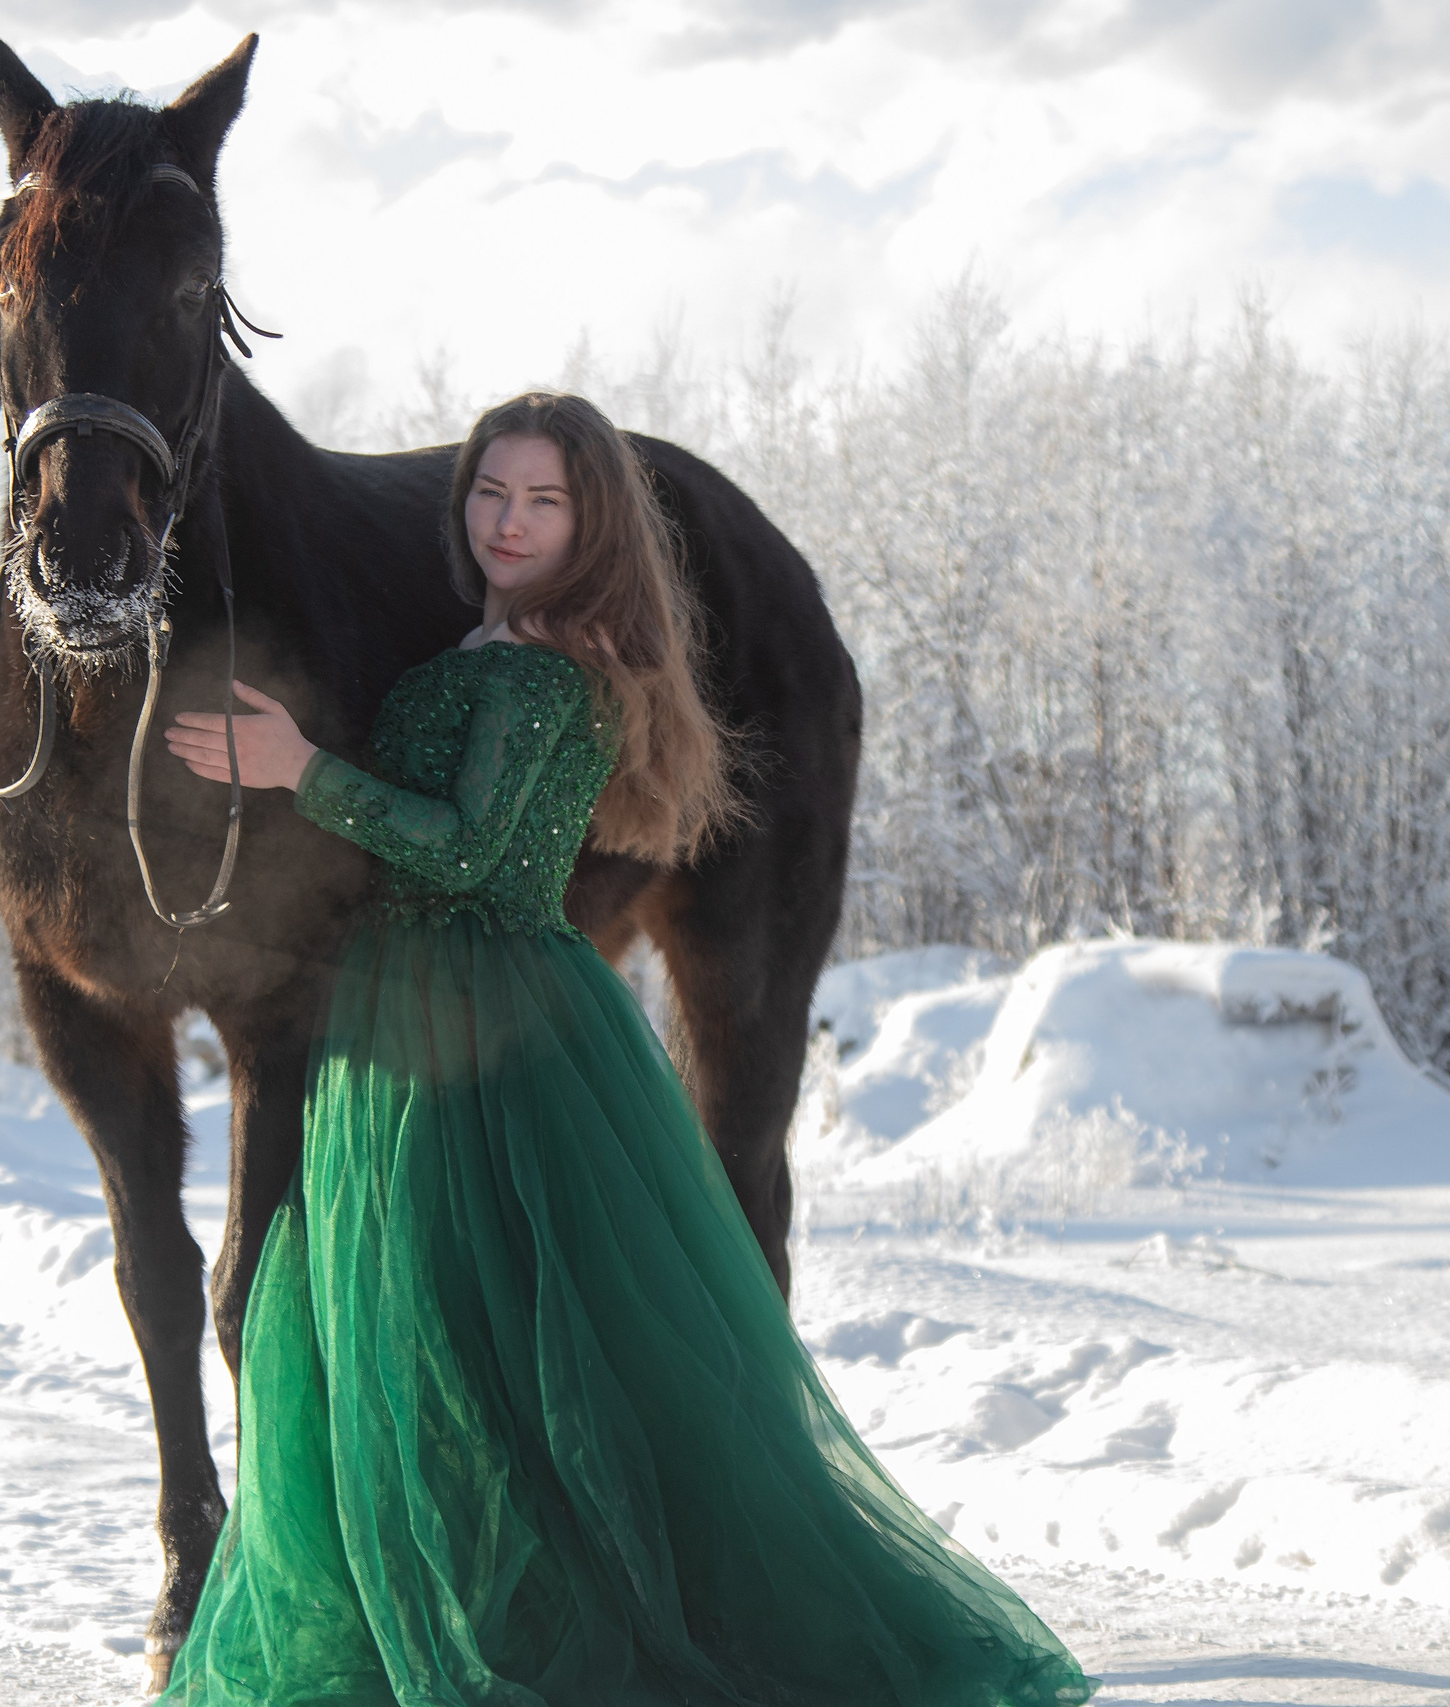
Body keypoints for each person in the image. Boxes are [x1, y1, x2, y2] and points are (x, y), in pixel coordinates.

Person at [154, 392, 1091, 1706]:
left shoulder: (552, 670)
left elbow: (470, 857)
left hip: (487, 1021)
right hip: (394, 1022)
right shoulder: (481, 643)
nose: (509, 523)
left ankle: (542, 1631)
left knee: (493, 1337)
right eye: (492, 493)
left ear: (591, 521)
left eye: (543, 501)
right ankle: (440, 1606)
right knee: (406, 1331)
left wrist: (299, 765)